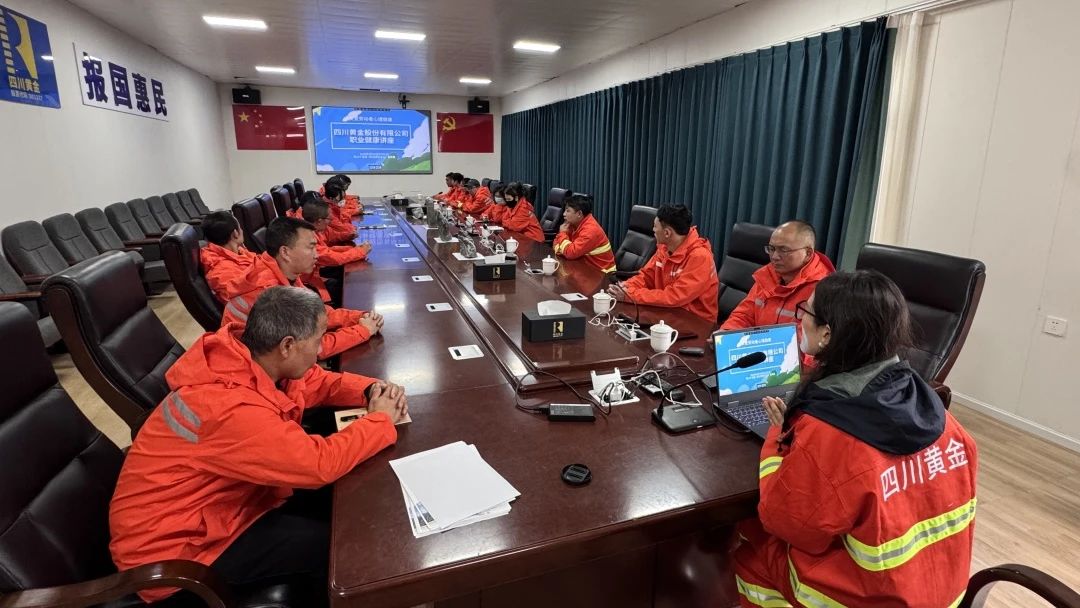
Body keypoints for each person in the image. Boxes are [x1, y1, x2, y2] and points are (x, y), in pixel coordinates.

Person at [110, 286, 408, 606]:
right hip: (179, 557)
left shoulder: (252, 360)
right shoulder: (227, 406)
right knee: (341, 547)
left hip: (225, 510)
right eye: (319, 339)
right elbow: (318, 464)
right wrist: (379, 420)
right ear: (287, 345)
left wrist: (372, 390)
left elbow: (315, 383)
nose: (322, 349)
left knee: (349, 502)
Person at [734, 270, 978, 608]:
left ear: (827, 334)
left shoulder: (830, 434)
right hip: (943, 593)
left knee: (750, 549)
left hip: (864, 597)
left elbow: (784, 522)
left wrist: (780, 432)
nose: (801, 319)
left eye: (806, 312)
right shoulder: (947, 422)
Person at [220, 217, 383, 358]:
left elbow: (316, 314)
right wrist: (362, 331)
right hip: (256, 369)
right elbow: (310, 350)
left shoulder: (283, 271)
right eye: (311, 247)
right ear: (285, 252)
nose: (316, 255)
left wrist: (359, 317)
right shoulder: (271, 294)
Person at [607, 204, 718, 321]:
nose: (653, 230)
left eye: (655, 226)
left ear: (667, 233)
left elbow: (674, 296)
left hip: (695, 321)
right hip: (668, 311)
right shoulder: (665, 247)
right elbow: (646, 276)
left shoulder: (700, 257)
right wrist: (626, 287)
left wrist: (631, 296)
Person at [721, 221, 834, 334]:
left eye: (784, 250)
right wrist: (725, 335)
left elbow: (808, 339)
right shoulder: (767, 275)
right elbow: (744, 315)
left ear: (808, 253)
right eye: (771, 249)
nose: (774, 257)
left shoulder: (822, 290)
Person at [200, 210, 256, 303]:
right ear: (235, 233)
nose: (242, 230)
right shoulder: (222, 272)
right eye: (240, 227)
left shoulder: (238, 251)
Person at [552, 194, 616, 273]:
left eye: (568, 211)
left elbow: (570, 253)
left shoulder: (591, 230)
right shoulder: (572, 224)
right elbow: (555, 244)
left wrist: (562, 234)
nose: (564, 214)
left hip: (602, 273)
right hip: (584, 267)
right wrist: (564, 249)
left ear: (579, 214)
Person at [301, 197, 371, 267]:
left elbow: (328, 246)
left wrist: (351, 246)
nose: (330, 221)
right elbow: (332, 258)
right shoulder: (307, 239)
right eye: (329, 219)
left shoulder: (314, 229)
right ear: (319, 221)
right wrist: (360, 252)